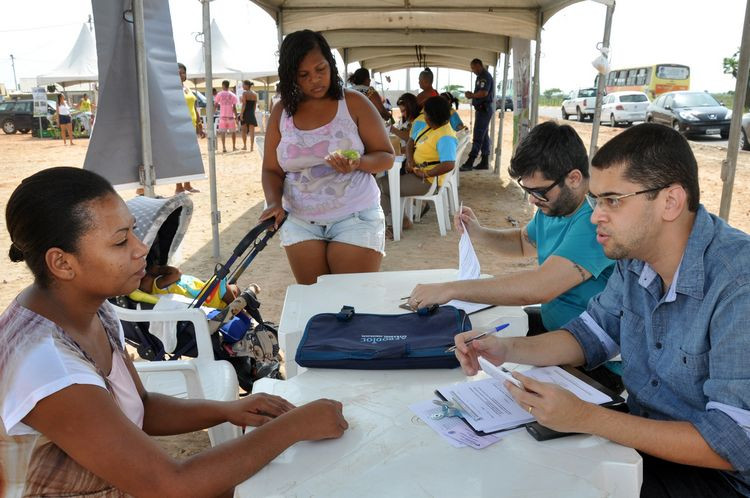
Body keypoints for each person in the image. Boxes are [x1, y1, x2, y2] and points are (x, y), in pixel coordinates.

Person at [0, 167, 348, 497]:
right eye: (121, 242)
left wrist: (228, 409)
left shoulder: (90, 308)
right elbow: (169, 487)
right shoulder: (47, 366)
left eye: (134, 231)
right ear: (62, 263)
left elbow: (143, 407)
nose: (141, 249)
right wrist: (292, 428)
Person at [453, 124, 750, 498]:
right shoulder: (636, 259)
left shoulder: (738, 284)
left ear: (670, 202)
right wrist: (504, 349)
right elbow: (589, 335)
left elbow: (734, 441)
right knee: (514, 469)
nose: (595, 216)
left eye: (612, 200)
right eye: (596, 200)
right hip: (644, 439)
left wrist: (586, 418)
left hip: (720, 480)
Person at [408, 121, 614, 336]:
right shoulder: (557, 205)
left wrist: (450, 289)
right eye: (528, 191)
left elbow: (540, 287)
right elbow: (523, 242)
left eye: (539, 192)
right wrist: (477, 231)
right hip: (557, 328)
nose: (533, 201)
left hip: (588, 347)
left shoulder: (596, 222)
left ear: (573, 178)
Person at [260, 29, 394, 285]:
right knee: (316, 304)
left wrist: (358, 163)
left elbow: (386, 156)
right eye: (304, 75)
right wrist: (272, 202)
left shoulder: (354, 102)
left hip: (355, 216)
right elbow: (271, 170)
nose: (315, 79)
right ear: (291, 77)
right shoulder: (281, 111)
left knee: (351, 305)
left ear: (331, 65)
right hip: (300, 221)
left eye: (321, 69)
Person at [378, 96, 457, 240]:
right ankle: (403, 221)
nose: (424, 116)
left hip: (428, 181)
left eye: (426, 114)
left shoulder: (445, 136)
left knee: (380, 186)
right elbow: (410, 142)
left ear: (434, 115)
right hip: (416, 173)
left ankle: (393, 226)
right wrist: (410, 160)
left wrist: (426, 173)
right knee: (384, 183)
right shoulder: (430, 127)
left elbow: (449, 164)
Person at [460, 58, 495, 171]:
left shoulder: (485, 76)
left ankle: (470, 161)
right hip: (481, 109)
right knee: (483, 136)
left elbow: (484, 92)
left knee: (478, 136)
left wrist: (472, 95)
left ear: (479, 65)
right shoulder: (480, 77)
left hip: (484, 109)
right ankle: (484, 161)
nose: (473, 70)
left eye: (474, 68)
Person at [175, 62, 202, 195]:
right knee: (180, 158)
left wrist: (199, 124)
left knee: (190, 157)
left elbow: (194, 106)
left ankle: (187, 184)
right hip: (179, 127)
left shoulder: (187, 88)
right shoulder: (172, 90)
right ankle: (179, 187)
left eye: (183, 72)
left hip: (191, 126)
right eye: (178, 72)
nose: (181, 75)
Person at [215, 80, 239, 153]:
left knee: (223, 133)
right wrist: (236, 116)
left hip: (223, 116)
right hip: (230, 116)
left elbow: (215, 104)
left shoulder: (219, 94)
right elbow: (234, 107)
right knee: (233, 132)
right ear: (228, 85)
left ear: (223, 85)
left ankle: (224, 147)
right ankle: (234, 147)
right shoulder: (233, 95)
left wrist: (213, 111)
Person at [239, 80, 258, 151]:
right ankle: (252, 147)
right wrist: (252, 113)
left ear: (247, 85)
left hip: (246, 113)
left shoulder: (245, 93)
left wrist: (241, 114)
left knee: (244, 130)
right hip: (251, 113)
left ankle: (245, 146)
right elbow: (254, 106)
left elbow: (244, 104)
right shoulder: (255, 94)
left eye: (243, 85)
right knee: (252, 131)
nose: (242, 86)